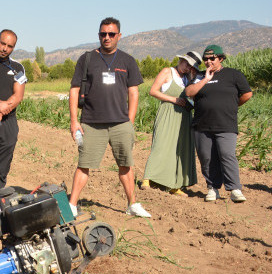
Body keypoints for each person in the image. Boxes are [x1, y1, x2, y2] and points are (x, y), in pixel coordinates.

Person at [68, 17, 150, 218]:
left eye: (111, 34)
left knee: (125, 164)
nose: (107, 37)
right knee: (84, 164)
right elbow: (74, 90)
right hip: (92, 123)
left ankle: (132, 204)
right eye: (103, 34)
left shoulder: (128, 60)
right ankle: (71, 205)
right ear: (99, 35)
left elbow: (134, 92)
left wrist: (130, 121)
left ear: (119, 36)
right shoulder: (86, 59)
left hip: (121, 123)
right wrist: (74, 121)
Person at [185, 44, 253, 203]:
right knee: (206, 157)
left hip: (226, 124)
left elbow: (247, 94)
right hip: (202, 125)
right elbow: (188, 93)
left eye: (212, 58)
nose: (208, 62)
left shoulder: (233, 74)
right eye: (206, 59)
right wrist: (206, 79)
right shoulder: (199, 76)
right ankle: (212, 188)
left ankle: (234, 189)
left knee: (227, 155)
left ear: (221, 59)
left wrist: (231, 106)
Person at [139, 51, 201, 195]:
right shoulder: (167, 72)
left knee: (179, 149)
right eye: (186, 64)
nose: (186, 67)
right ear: (181, 60)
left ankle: (174, 184)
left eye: (190, 66)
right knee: (161, 144)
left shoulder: (188, 79)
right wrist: (173, 99)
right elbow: (153, 91)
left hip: (184, 117)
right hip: (167, 113)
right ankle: (147, 178)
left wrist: (192, 78)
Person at [0, 29, 26, 197]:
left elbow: (18, 96)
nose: (5, 49)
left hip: (7, 123)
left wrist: (0, 113)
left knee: (1, 167)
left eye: (10, 46)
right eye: (3, 44)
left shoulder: (17, 67)